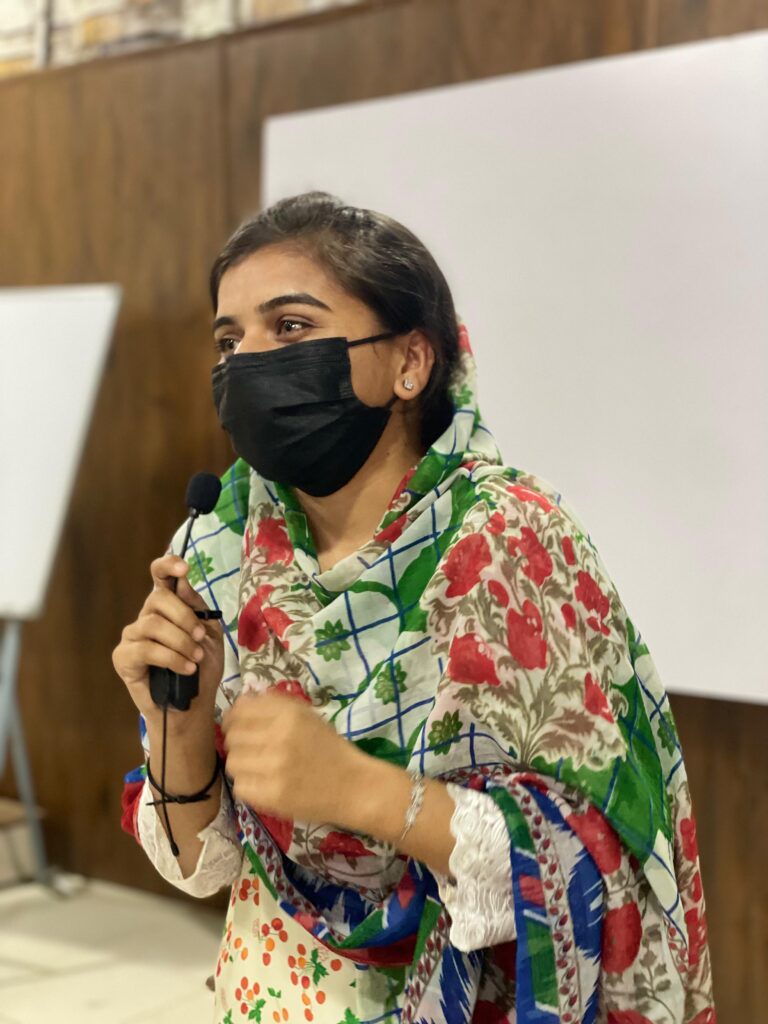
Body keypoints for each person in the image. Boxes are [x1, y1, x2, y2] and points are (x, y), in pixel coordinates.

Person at [113, 192, 715, 1024]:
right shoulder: (223, 543)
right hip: (271, 990)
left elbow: (598, 864)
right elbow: (201, 868)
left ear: (410, 362)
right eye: (228, 340)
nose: (246, 362)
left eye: (290, 327)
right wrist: (174, 722)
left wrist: (362, 792)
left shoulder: (509, 539)